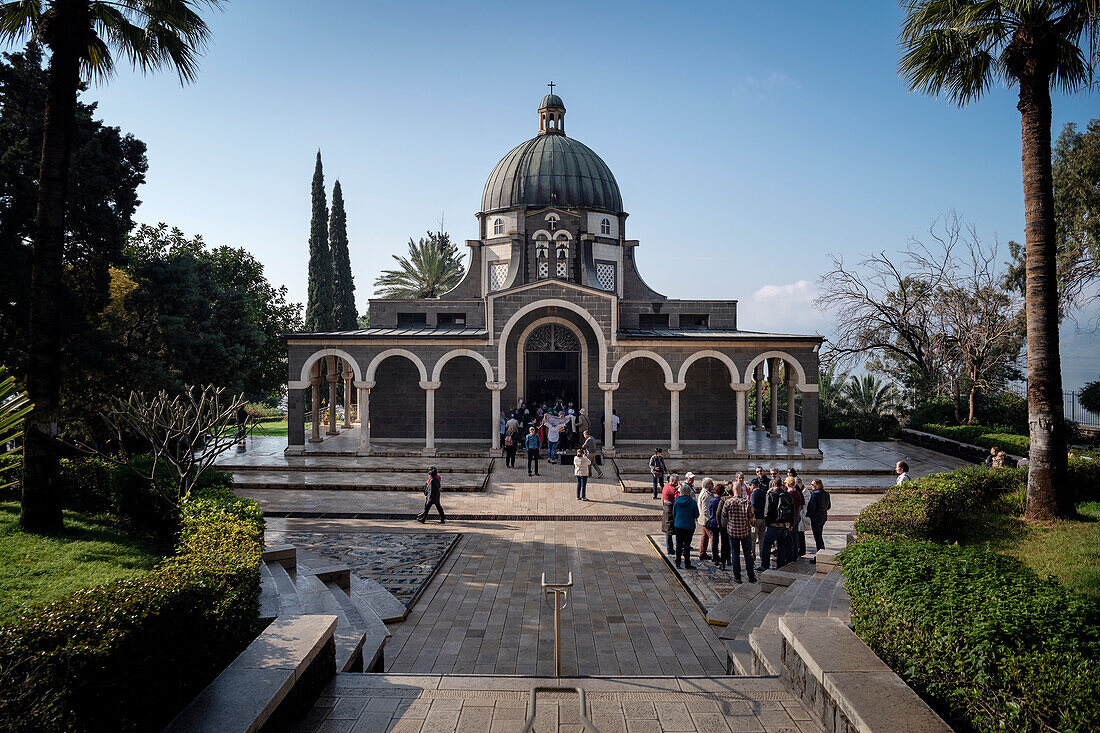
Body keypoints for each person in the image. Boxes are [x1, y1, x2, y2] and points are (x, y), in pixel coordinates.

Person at [722, 482, 757, 583]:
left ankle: (737, 576)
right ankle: (751, 576)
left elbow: (724, 519)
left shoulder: (728, 503)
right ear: (741, 491)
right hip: (745, 532)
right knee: (748, 554)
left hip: (732, 532)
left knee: (735, 554)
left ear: (733, 490)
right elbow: (751, 518)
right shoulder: (747, 502)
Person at [758, 479, 794, 571]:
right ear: (782, 485)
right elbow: (793, 511)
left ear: (773, 484)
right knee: (782, 546)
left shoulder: (771, 495)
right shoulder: (788, 495)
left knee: (767, 544)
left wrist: (767, 524)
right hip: (784, 526)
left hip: (773, 525)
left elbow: (767, 511)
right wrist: (791, 524)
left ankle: (765, 565)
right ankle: (780, 566)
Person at [672, 483, 699, 569]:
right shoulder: (692, 502)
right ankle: (687, 563)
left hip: (678, 525)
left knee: (678, 544)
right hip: (689, 526)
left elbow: (674, 513)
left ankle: (678, 562)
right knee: (687, 544)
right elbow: (696, 514)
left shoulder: (677, 501)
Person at [805, 479, 831, 552]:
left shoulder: (814, 494)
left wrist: (809, 514)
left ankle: (820, 552)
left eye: (813, 485)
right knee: (819, 535)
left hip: (816, 518)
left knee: (817, 537)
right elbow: (828, 506)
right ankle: (821, 551)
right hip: (823, 517)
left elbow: (811, 507)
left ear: (817, 485)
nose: (811, 486)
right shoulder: (826, 494)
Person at [708, 484, 729, 569]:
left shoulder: (712, 500)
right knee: (724, 541)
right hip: (723, 523)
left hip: (714, 522)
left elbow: (710, 510)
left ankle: (715, 557)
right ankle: (727, 558)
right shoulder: (725, 500)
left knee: (715, 540)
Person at [661, 474, 681, 555]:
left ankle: (671, 547)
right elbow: (678, 496)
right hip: (670, 510)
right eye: (676, 481)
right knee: (669, 531)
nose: (677, 483)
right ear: (672, 481)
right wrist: (679, 488)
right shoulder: (670, 488)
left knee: (669, 530)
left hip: (667, 508)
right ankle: (670, 549)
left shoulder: (666, 486)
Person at [786, 477, 805, 558]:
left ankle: (791, 554)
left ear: (787, 484)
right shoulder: (797, 493)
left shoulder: (789, 494)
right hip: (797, 515)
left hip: (791, 517)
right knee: (795, 535)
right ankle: (795, 553)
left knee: (790, 537)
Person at [697, 478, 716, 562]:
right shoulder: (706, 495)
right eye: (711, 484)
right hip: (706, 520)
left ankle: (702, 553)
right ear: (707, 485)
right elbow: (705, 509)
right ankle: (714, 555)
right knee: (712, 537)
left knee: (704, 537)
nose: (713, 485)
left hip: (703, 519)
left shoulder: (706, 493)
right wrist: (709, 520)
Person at [749, 477, 768, 562]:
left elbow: (752, 506)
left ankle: (752, 556)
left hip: (755, 519)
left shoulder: (753, 494)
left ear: (753, 485)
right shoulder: (764, 493)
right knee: (762, 539)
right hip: (763, 518)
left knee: (753, 539)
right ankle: (762, 556)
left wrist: (751, 518)